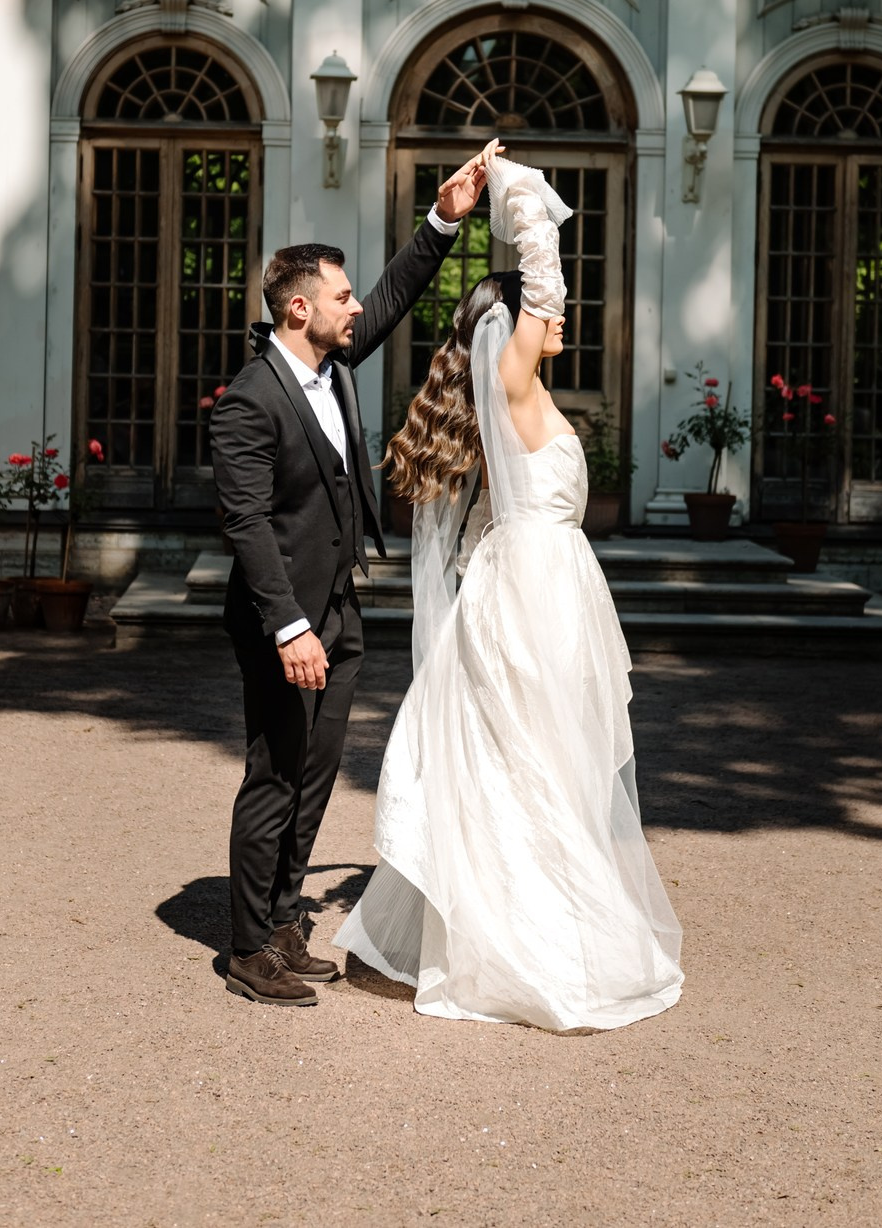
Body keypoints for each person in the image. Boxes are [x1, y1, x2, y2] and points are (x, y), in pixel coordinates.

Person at [334, 144, 684, 1031]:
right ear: (515, 321)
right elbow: (550, 285)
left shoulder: (511, 399)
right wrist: (519, 193)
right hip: (536, 588)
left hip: (519, 581)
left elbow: (490, 512)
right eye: (539, 317)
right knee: (542, 757)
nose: (558, 323)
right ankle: (544, 943)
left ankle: (521, 915)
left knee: (530, 758)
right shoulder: (515, 382)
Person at [209, 149, 497, 1008]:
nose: (354, 307)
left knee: (318, 772)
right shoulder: (249, 401)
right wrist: (289, 626)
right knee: (274, 774)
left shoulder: (328, 365)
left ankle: (286, 917)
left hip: (340, 610)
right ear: (299, 309)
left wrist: (445, 218)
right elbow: (247, 524)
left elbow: (396, 295)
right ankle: (247, 945)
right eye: (339, 297)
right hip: (287, 620)